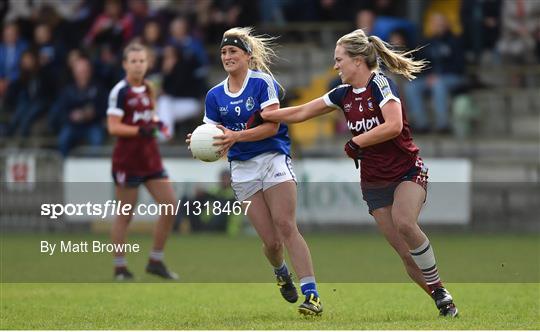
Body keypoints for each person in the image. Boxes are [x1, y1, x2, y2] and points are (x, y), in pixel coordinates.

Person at [247, 29, 459, 318]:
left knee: (405, 222)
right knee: (406, 256)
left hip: (406, 171)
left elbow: (394, 125)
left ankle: (440, 291)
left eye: (339, 60)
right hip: (373, 181)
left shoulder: (380, 85)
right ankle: (443, 301)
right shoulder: (342, 93)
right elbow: (301, 113)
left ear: (358, 61)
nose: (335, 66)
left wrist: (357, 141)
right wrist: (266, 114)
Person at [186, 27, 323, 316]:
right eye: (223, 52)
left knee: (286, 226)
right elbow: (215, 135)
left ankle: (312, 295)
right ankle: (281, 272)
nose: (227, 56)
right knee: (271, 243)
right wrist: (202, 142)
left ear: (247, 55)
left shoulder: (262, 83)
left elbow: (271, 126)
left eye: (233, 51)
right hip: (243, 169)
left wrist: (234, 137)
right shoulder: (214, 95)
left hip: (273, 158)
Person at [106, 42, 177, 281]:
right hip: (128, 160)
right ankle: (120, 267)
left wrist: (158, 125)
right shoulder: (120, 91)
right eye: (133, 61)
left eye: (142, 61)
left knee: (170, 205)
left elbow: (151, 117)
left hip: (150, 158)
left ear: (147, 63)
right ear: (125, 64)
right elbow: (113, 126)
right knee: (125, 214)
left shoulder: (149, 87)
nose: (138, 65)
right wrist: (141, 131)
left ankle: (155, 260)